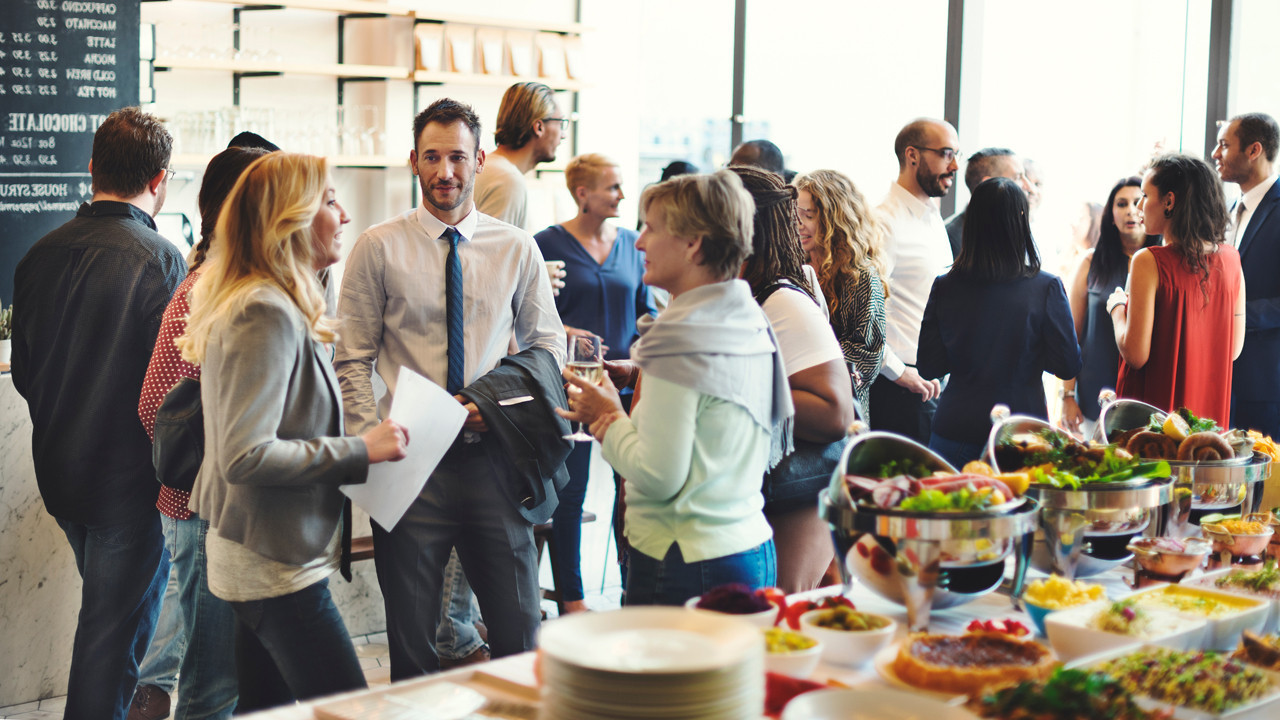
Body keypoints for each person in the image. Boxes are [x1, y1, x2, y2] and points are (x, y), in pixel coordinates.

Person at [335, 98, 566, 679]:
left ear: (479, 160)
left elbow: (548, 348)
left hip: (495, 461)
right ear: (413, 161)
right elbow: (352, 359)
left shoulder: (517, 247)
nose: (445, 172)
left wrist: (498, 406)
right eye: (432, 157)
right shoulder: (377, 247)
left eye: (458, 157)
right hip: (410, 465)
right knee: (412, 648)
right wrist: (371, 444)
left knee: (519, 635)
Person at [177, 153, 408, 711]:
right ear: (291, 218)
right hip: (272, 563)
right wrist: (361, 449)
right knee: (351, 708)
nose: (344, 215)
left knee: (264, 709)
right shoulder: (265, 310)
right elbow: (245, 454)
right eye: (329, 200)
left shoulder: (269, 298)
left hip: (263, 554)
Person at [11, 107, 185, 720]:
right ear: (159, 179)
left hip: (60, 477)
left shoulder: (36, 256)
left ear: (91, 168)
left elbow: (25, 374)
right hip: (128, 488)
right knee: (109, 646)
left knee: (108, 628)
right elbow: (172, 393)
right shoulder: (161, 260)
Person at [558, 170, 790, 605]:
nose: (639, 242)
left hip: (684, 556)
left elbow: (657, 476)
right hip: (748, 546)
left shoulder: (680, 336)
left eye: (651, 227)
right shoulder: (748, 316)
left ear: (693, 244)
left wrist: (606, 416)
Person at [131, 146, 270, 720]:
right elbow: (155, 406)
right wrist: (215, 473)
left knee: (226, 674)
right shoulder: (210, 288)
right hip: (203, 508)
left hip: (216, 507)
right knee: (214, 684)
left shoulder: (234, 282)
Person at [533, 153, 654, 613]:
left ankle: (633, 591)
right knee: (570, 494)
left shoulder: (633, 245)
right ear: (582, 193)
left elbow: (648, 312)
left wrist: (640, 361)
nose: (622, 195)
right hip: (572, 387)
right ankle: (573, 599)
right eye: (613, 186)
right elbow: (528, 314)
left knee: (634, 492)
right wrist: (565, 332)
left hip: (629, 387)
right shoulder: (545, 244)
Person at [730, 165, 854, 593]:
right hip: (764, 487)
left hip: (796, 488)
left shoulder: (783, 299)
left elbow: (835, 413)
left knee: (780, 610)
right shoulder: (745, 290)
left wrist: (732, 385)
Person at [918, 177, 1082, 467]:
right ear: (1022, 221)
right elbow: (1067, 365)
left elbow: (929, 366)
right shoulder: (1046, 287)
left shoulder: (945, 285)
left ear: (972, 223)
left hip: (956, 428)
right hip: (1023, 433)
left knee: (952, 498)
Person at [1111, 154, 1246, 426]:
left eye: (1145, 196)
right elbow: (1233, 350)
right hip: (1205, 415)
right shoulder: (1232, 259)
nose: (1139, 206)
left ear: (1169, 201)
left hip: (1155, 417)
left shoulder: (1148, 261)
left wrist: (1116, 308)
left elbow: (1135, 355)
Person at [870, 118, 958, 445]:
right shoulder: (883, 222)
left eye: (957, 154)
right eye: (946, 154)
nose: (955, 166)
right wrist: (898, 372)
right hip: (900, 389)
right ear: (912, 156)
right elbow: (862, 314)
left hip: (936, 383)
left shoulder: (932, 217)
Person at [1059, 177, 1157, 437]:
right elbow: (1071, 335)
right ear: (1110, 215)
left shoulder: (1164, 264)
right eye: (1121, 204)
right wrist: (1067, 395)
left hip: (1149, 395)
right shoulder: (1090, 263)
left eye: (1137, 202)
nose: (1131, 210)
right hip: (1094, 394)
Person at [795, 169, 889, 420]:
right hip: (798, 404)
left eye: (808, 216)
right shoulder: (792, 267)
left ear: (834, 220)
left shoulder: (861, 277)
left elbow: (867, 359)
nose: (798, 225)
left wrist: (805, 360)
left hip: (842, 412)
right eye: (795, 215)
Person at [1215, 113, 1280, 437]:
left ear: (1254, 150)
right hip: (1219, 377)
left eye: (1224, 145)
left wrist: (1233, 314)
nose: (1215, 153)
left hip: (1265, 383)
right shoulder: (1228, 208)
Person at [475, 81, 566, 231]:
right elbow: (497, 245)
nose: (563, 135)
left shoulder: (491, 168)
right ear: (539, 127)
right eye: (561, 123)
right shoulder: (507, 179)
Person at [944, 148, 1029, 259]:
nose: (1028, 186)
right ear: (989, 184)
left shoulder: (1015, 228)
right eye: (1018, 178)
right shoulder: (952, 239)